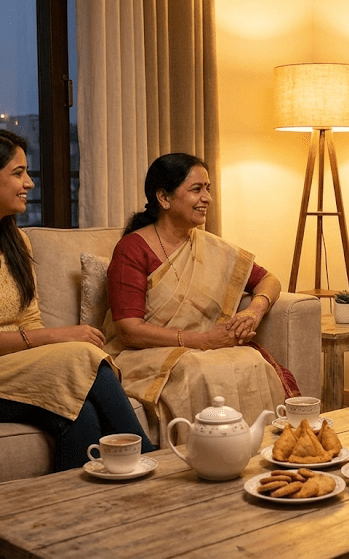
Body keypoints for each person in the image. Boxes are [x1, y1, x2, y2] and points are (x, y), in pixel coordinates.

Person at [0, 126, 154, 472]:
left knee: (79, 409)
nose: (29, 183)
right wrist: (63, 336)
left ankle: (77, 516)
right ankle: (156, 462)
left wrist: (56, 346)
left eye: (28, 172)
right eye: (18, 173)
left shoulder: (16, 242)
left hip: (1, 371)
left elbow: (30, 322)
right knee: (81, 355)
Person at [104, 153, 299, 445]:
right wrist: (203, 341)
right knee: (197, 369)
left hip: (205, 345)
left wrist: (253, 312)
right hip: (145, 352)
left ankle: (260, 455)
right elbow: (129, 330)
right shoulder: (133, 249)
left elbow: (269, 280)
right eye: (196, 189)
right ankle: (202, 458)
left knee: (252, 360)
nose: (207, 198)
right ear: (164, 198)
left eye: (207, 189)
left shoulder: (210, 246)